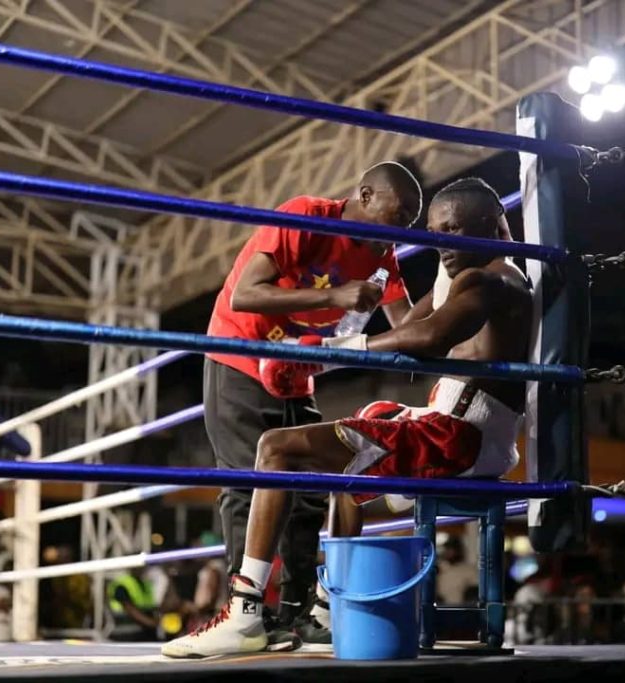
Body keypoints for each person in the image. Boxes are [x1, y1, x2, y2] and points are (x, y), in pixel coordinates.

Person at [164, 177, 531, 658]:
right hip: (452, 425)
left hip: (457, 436)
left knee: (276, 448)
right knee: (366, 421)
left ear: (492, 225)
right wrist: (320, 356)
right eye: (436, 232)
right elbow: (414, 328)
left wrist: (324, 350)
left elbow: (426, 340)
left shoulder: (492, 277)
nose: (441, 244)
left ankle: (245, 610)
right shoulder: (453, 268)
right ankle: (323, 609)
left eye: (453, 231)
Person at [202, 161, 422, 645]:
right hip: (241, 353)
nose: (405, 224)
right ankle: (245, 616)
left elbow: (406, 322)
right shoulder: (306, 216)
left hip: (298, 372)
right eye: (400, 210)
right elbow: (243, 294)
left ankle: (295, 614)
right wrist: (341, 295)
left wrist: (460, 282)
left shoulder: (383, 254)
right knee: (246, 483)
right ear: (365, 195)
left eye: (413, 218)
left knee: (307, 492)